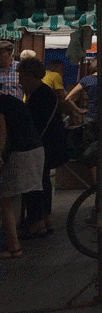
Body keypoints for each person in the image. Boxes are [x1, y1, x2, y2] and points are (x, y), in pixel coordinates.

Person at [18, 57, 68, 239]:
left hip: (41, 146)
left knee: (35, 183)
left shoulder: (40, 96)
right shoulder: (44, 93)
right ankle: (46, 219)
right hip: (50, 145)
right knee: (43, 181)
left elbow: (34, 124)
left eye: (21, 76)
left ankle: (38, 221)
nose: (19, 81)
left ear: (30, 75)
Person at [0, 92, 44, 259]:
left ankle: (13, 247)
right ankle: (12, 239)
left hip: (20, 154)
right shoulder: (10, 101)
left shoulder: (1, 105)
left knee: (5, 199)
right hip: (35, 149)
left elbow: (2, 134)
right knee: (13, 198)